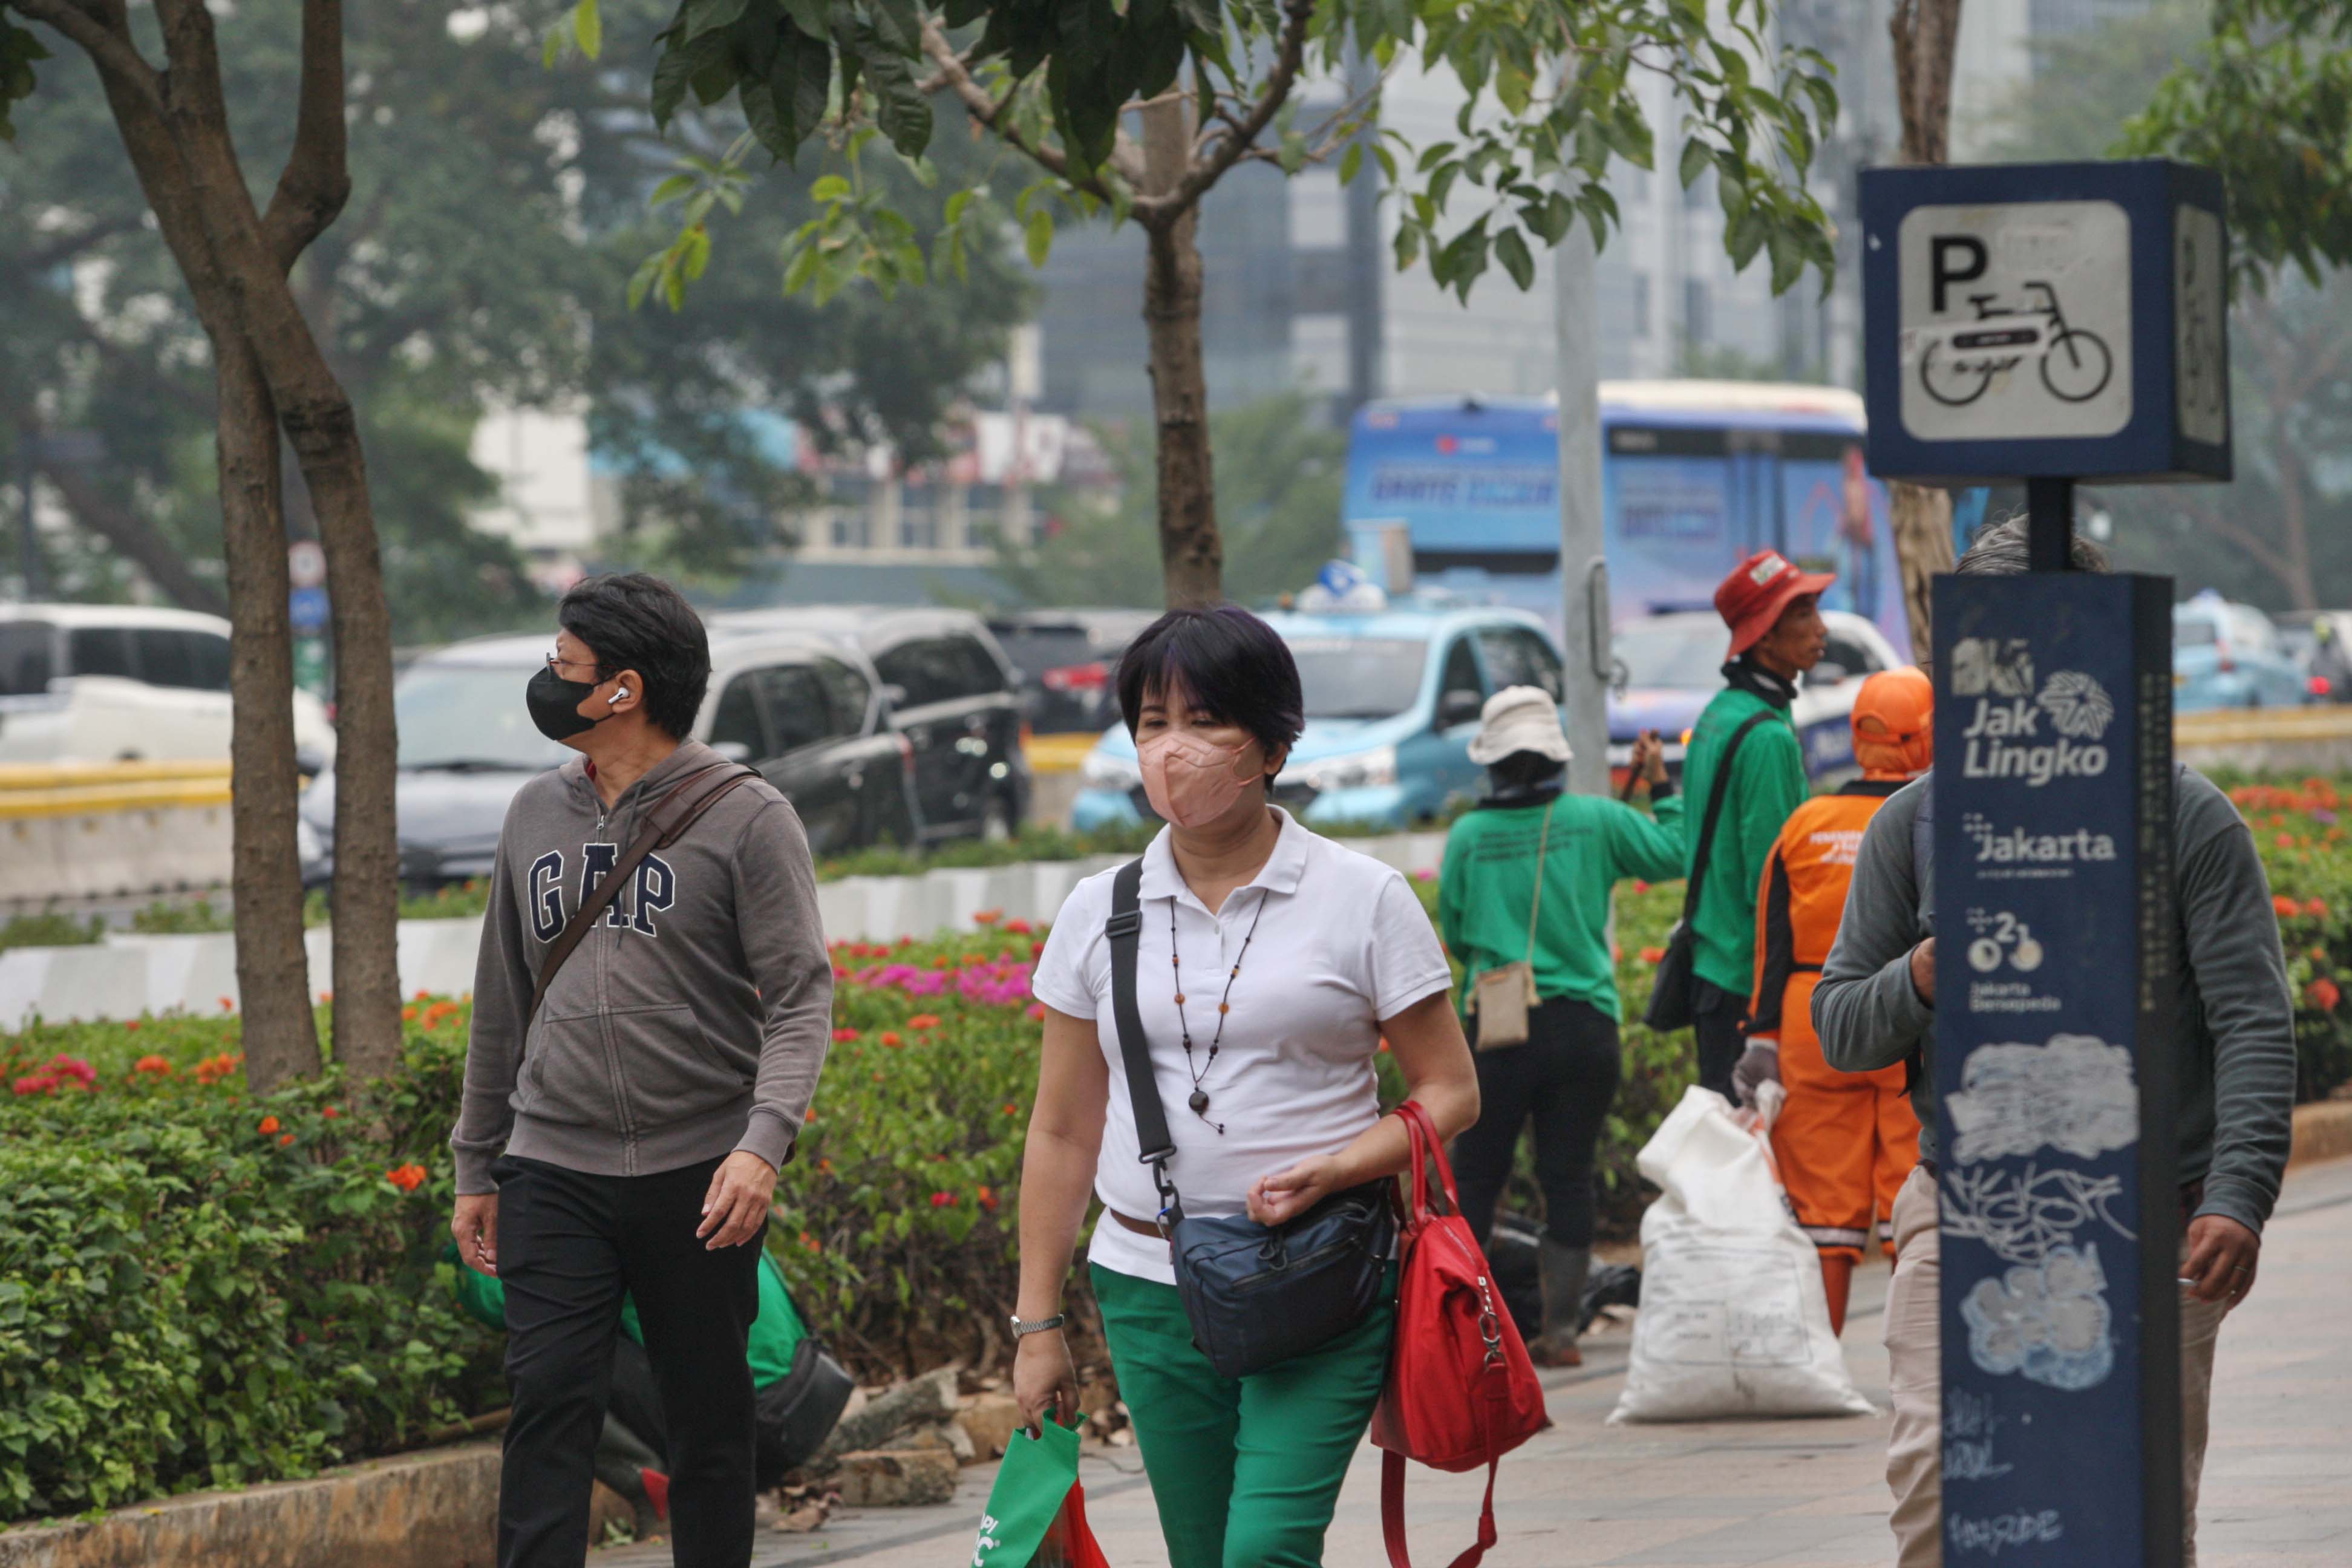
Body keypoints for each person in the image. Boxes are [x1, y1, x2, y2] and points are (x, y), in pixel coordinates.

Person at [1813, 518, 2298, 1568]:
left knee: (2130, 1514)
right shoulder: (1912, 825)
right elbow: (1840, 1023)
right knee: (1939, 1481)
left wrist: (2235, 1195)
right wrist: (1923, 976)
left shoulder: (2186, 820)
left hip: (2157, 1212)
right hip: (1959, 1205)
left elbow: (2251, 1017)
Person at [1014, 605, 1480, 1568]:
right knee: (1202, 1554)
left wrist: (1341, 1166)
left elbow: (1449, 1090)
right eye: (1151, 723)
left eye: (1204, 722)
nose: (1172, 750)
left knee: (1263, 1548)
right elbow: (1062, 1131)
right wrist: (1037, 1325)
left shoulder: (1363, 898)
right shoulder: (1099, 912)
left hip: (1322, 1273)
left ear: (1269, 745)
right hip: (1151, 1284)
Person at [447, 573, 835, 1568]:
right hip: (551, 1171)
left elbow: (800, 996)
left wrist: (762, 1146)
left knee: (706, 1424)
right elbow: (502, 998)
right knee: (548, 1406)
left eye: (561, 666)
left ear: (621, 690)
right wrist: (475, 1164)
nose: (546, 679)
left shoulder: (748, 818)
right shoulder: (534, 813)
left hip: (700, 1173)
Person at [1438, 688, 1684, 1367]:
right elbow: (1676, 852)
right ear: (1551, 757)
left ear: (1493, 762)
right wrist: (1661, 781)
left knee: (1480, 1178)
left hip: (1498, 1029)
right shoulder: (1595, 819)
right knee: (1568, 1176)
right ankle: (1562, 1333)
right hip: (1585, 1029)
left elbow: (1456, 928)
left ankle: (1470, 1332)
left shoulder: (1468, 838)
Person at [1732, 666, 1932, 1336]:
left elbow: (1772, 942)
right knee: (1918, 1186)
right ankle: (1926, 1341)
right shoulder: (1935, 820)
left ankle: (1823, 1358)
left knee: (1822, 1210)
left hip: (1814, 1018)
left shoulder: (1806, 824)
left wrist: (1761, 1039)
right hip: (1913, 1016)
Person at [1676, 550, 1832, 1097]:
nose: (1822, 628)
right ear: (1764, 637)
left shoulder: (1719, 714)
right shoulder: (1766, 737)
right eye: (1803, 614)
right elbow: (1771, 884)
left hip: (1714, 976)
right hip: (1750, 989)